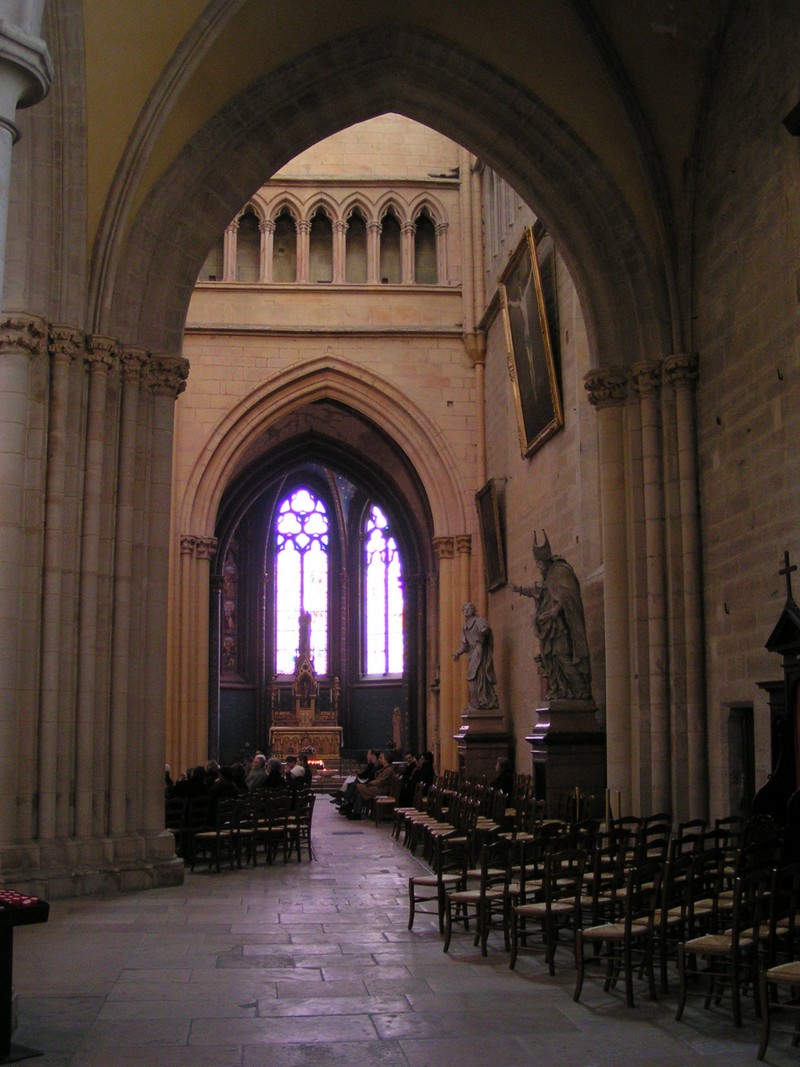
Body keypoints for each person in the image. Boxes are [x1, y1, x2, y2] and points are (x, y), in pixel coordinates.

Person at [512, 530, 592, 701]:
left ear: (546, 560)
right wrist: (518, 589)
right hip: (548, 628)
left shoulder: (561, 571)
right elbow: (536, 591)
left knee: (563, 657)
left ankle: (580, 690)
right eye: (537, 563)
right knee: (550, 660)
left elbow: (568, 595)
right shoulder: (546, 577)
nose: (538, 567)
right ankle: (559, 690)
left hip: (560, 628)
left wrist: (557, 609)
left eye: (539, 563)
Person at [453, 602, 499, 709]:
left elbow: (486, 629)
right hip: (472, 652)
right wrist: (457, 653)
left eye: (469, 608)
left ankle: (483, 700)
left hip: (479, 650)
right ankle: (475, 701)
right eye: (464, 609)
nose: (466, 611)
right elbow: (465, 645)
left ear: (473, 610)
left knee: (479, 674)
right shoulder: (465, 627)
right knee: (472, 677)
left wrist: (484, 631)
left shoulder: (479, 620)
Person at [349, 752, 396, 820]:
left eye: (381, 758)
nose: (379, 759)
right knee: (360, 793)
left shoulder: (389, 770)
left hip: (382, 790)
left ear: (386, 759)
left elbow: (380, 781)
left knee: (357, 786)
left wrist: (371, 783)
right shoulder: (385, 768)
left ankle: (349, 805)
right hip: (378, 787)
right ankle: (356, 813)